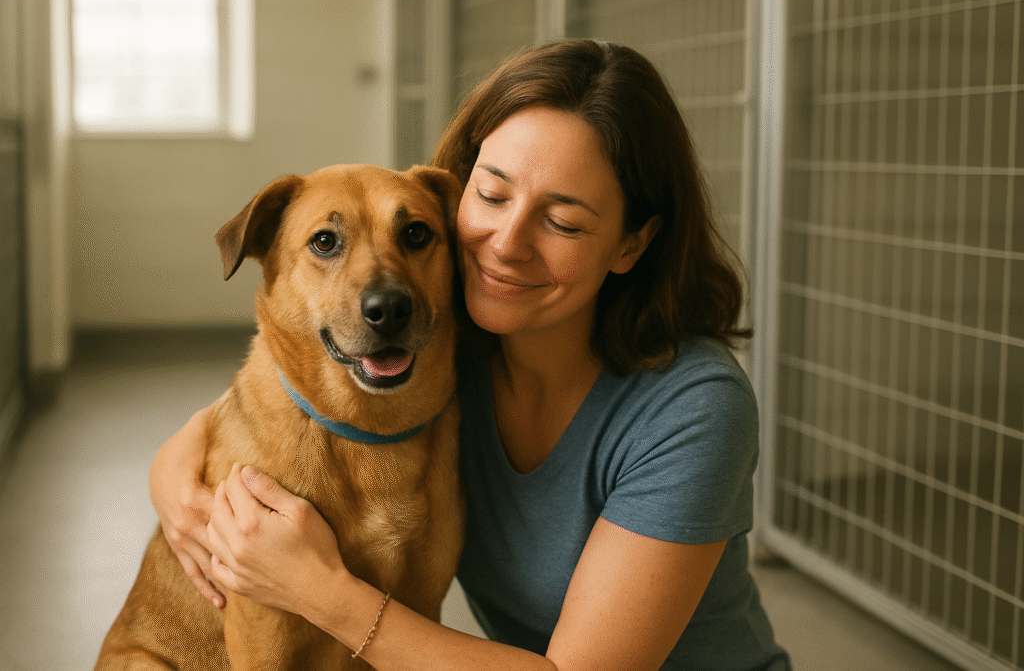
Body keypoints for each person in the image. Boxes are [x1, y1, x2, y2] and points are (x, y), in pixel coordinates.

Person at [150, 38, 792, 670]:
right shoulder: (451, 346)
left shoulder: (695, 409)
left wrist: (316, 589)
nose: (506, 244)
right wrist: (173, 483)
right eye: (490, 195)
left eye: (563, 222)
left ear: (631, 244)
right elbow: (268, 405)